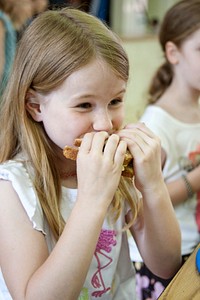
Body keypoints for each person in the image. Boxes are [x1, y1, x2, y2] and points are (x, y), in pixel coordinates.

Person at [0, 7, 181, 300]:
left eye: (115, 100)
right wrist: (93, 199)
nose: (105, 124)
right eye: (84, 105)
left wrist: (153, 185)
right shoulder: (13, 187)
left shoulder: (115, 170)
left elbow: (166, 265)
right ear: (35, 106)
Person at [129, 1, 200, 299]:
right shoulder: (157, 124)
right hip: (165, 261)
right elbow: (142, 198)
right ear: (173, 53)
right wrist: (195, 180)